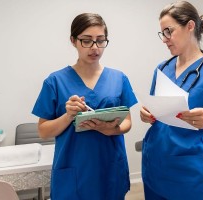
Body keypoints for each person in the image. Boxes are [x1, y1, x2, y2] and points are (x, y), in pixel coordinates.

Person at [32, 13, 137, 200]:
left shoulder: (118, 78)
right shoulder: (55, 81)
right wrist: (68, 116)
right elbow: (43, 131)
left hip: (110, 166)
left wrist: (110, 130)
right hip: (74, 170)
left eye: (100, 40)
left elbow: (127, 122)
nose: (95, 48)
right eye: (87, 41)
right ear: (73, 41)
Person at [140, 1, 203, 200]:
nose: (164, 39)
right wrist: (146, 114)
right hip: (156, 163)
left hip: (192, 172)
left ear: (190, 26)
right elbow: (154, 111)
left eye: (169, 31)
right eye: (162, 34)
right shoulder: (162, 68)